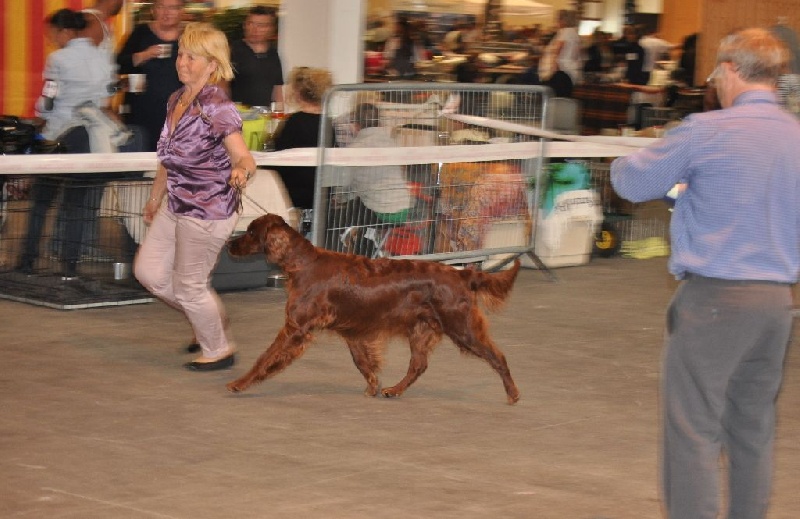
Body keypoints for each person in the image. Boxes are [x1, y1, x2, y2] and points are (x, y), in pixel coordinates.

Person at [610, 28, 800, 519]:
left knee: (692, 429)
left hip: (715, 300)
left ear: (732, 70)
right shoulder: (796, 136)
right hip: (777, 304)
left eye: (718, 73)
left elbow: (631, 182)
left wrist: (668, 179)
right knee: (752, 428)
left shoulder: (706, 130)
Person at [134, 22, 256, 372]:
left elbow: (245, 158)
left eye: (193, 57)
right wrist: (155, 198)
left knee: (190, 286)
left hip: (208, 210)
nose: (183, 62)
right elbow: (167, 156)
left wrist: (240, 172)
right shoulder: (177, 99)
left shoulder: (217, 106)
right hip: (175, 203)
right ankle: (208, 317)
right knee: (149, 273)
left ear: (212, 65)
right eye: (182, 54)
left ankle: (218, 349)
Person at [18, 8, 119, 278]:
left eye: (52, 33)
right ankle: (70, 267)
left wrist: (40, 113)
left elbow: (49, 99)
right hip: (90, 138)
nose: (51, 38)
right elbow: (107, 98)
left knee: (41, 202)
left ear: (65, 32)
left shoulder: (58, 58)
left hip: (60, 137)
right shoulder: (102, 59)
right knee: (76, 205)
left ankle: (27, 262)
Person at [116, 0, 184, 151]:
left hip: (178, 112)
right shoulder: (141, 33)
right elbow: (119, 64)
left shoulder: (189, 36)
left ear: (181, 11)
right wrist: (143, 55)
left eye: (172, 8)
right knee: (140, 155)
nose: (166, 12)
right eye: (161, 7)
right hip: (141, 110)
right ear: (153, 10)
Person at [273, 66, 332, 210]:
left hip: (295, 193)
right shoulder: (330, 123)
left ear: (298, 93)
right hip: (323, 192)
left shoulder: (294, 122)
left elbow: (278, 160)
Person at [227, 6, 284, 108]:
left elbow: (277, 89)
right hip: (238, 117)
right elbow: (221, 87)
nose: (254, 29)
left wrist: (279, 112)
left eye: (261, 25)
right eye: (250, 23)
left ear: (271, 28)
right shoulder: (232, 51)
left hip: (265, 116)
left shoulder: (273, 54)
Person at [538, 10, 582, 97]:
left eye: (557, 20)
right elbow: (576, 54)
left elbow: (558, 49)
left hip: (560, 71)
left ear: (563, 20)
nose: (556, 23)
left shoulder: (565, 32)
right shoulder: (574, 34)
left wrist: (553, 66)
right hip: (570, 72)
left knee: (555, 99)